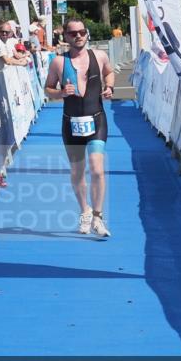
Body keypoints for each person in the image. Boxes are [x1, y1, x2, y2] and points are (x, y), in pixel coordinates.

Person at [44, 19, 115, 238]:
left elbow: (109, 73)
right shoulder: (58, 62)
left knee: (97, 168)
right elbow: (47, 89)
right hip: (71, 122)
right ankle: (84, 210)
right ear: (65, 36)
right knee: (77, 172)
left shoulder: (99, 56)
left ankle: (98, 216)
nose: (78, 36)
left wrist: (109, 87)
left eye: (82, 31)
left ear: (87, 34)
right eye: (73, 33)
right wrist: (61, 93)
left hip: (96, 120)